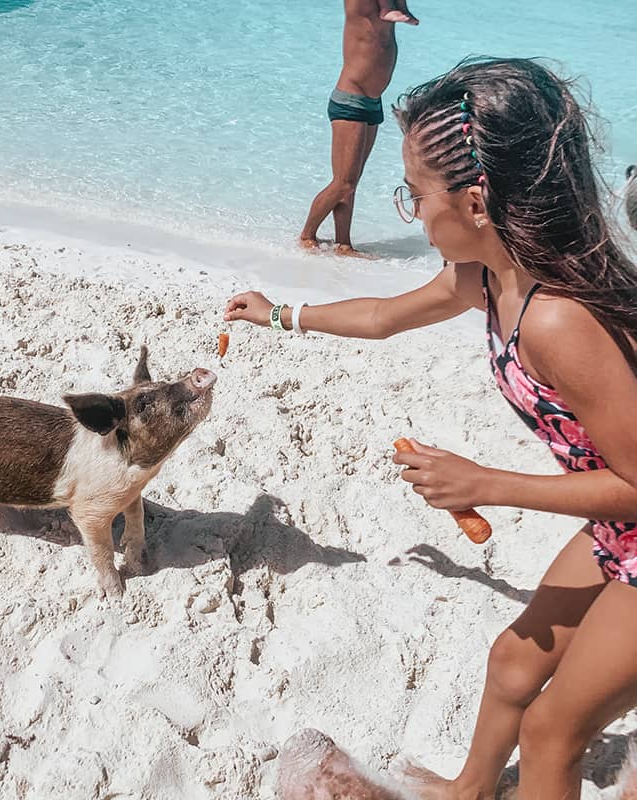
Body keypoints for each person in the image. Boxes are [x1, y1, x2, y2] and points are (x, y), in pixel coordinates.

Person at [225, 58, 637, 800]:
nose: (411, 212)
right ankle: (468, 791)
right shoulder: (488, 277)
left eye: (414, 195)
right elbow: (386, 317)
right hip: (621, 532)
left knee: (552, 734)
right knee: (513, 663)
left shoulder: (559, 319)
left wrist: (484, 485)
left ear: (476, 202)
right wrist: (283, 314)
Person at [300, 0, 417, 257]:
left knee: (351, 182)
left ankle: (344, 244)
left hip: (372, 102)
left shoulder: (390, 9)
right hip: (350, 100)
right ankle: (307, 235)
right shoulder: (361, 7)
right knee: (343, 183)